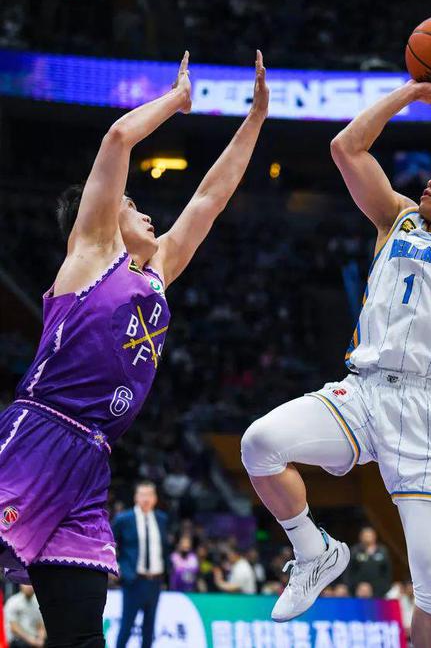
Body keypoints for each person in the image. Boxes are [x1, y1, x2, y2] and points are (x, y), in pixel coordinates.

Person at [241, 18, 431, 648]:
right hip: (362, 391)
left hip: (428, 412)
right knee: (259, 444)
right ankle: (313, 551)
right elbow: (346, 148)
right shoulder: (396, 219)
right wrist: (413, 91)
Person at [0, 50, 269, 646]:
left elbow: (210, 198)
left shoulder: (158, 271)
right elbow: (119, 138)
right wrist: (176, 100)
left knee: (80, 632)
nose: (145, 211)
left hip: (92, 458)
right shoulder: (91, 252)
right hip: (42, 432)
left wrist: (255, 120)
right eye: (130, 204)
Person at [113, 482, 169, 648]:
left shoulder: (162, 519)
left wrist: (166, 573)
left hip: (155, 581)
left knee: (149, 627)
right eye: (142, 495)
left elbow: (165, 548)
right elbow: (110, 544)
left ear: (155, 498)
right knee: (127, 625)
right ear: (136, 497)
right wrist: (119, 568)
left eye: (149, 495)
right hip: (134, 580)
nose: (146, 499)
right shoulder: (124, 519)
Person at [347, 526, 392, 597]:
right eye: (365, 535)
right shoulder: (355, 551)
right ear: (361, 537)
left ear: (375, 536)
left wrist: (382, 589)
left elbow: (387, 572)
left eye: (370, 535)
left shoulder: (382, 551)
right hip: (358, 589)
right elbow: (349, 571)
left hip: (378, 590)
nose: (367, 538)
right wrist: (355, 587)